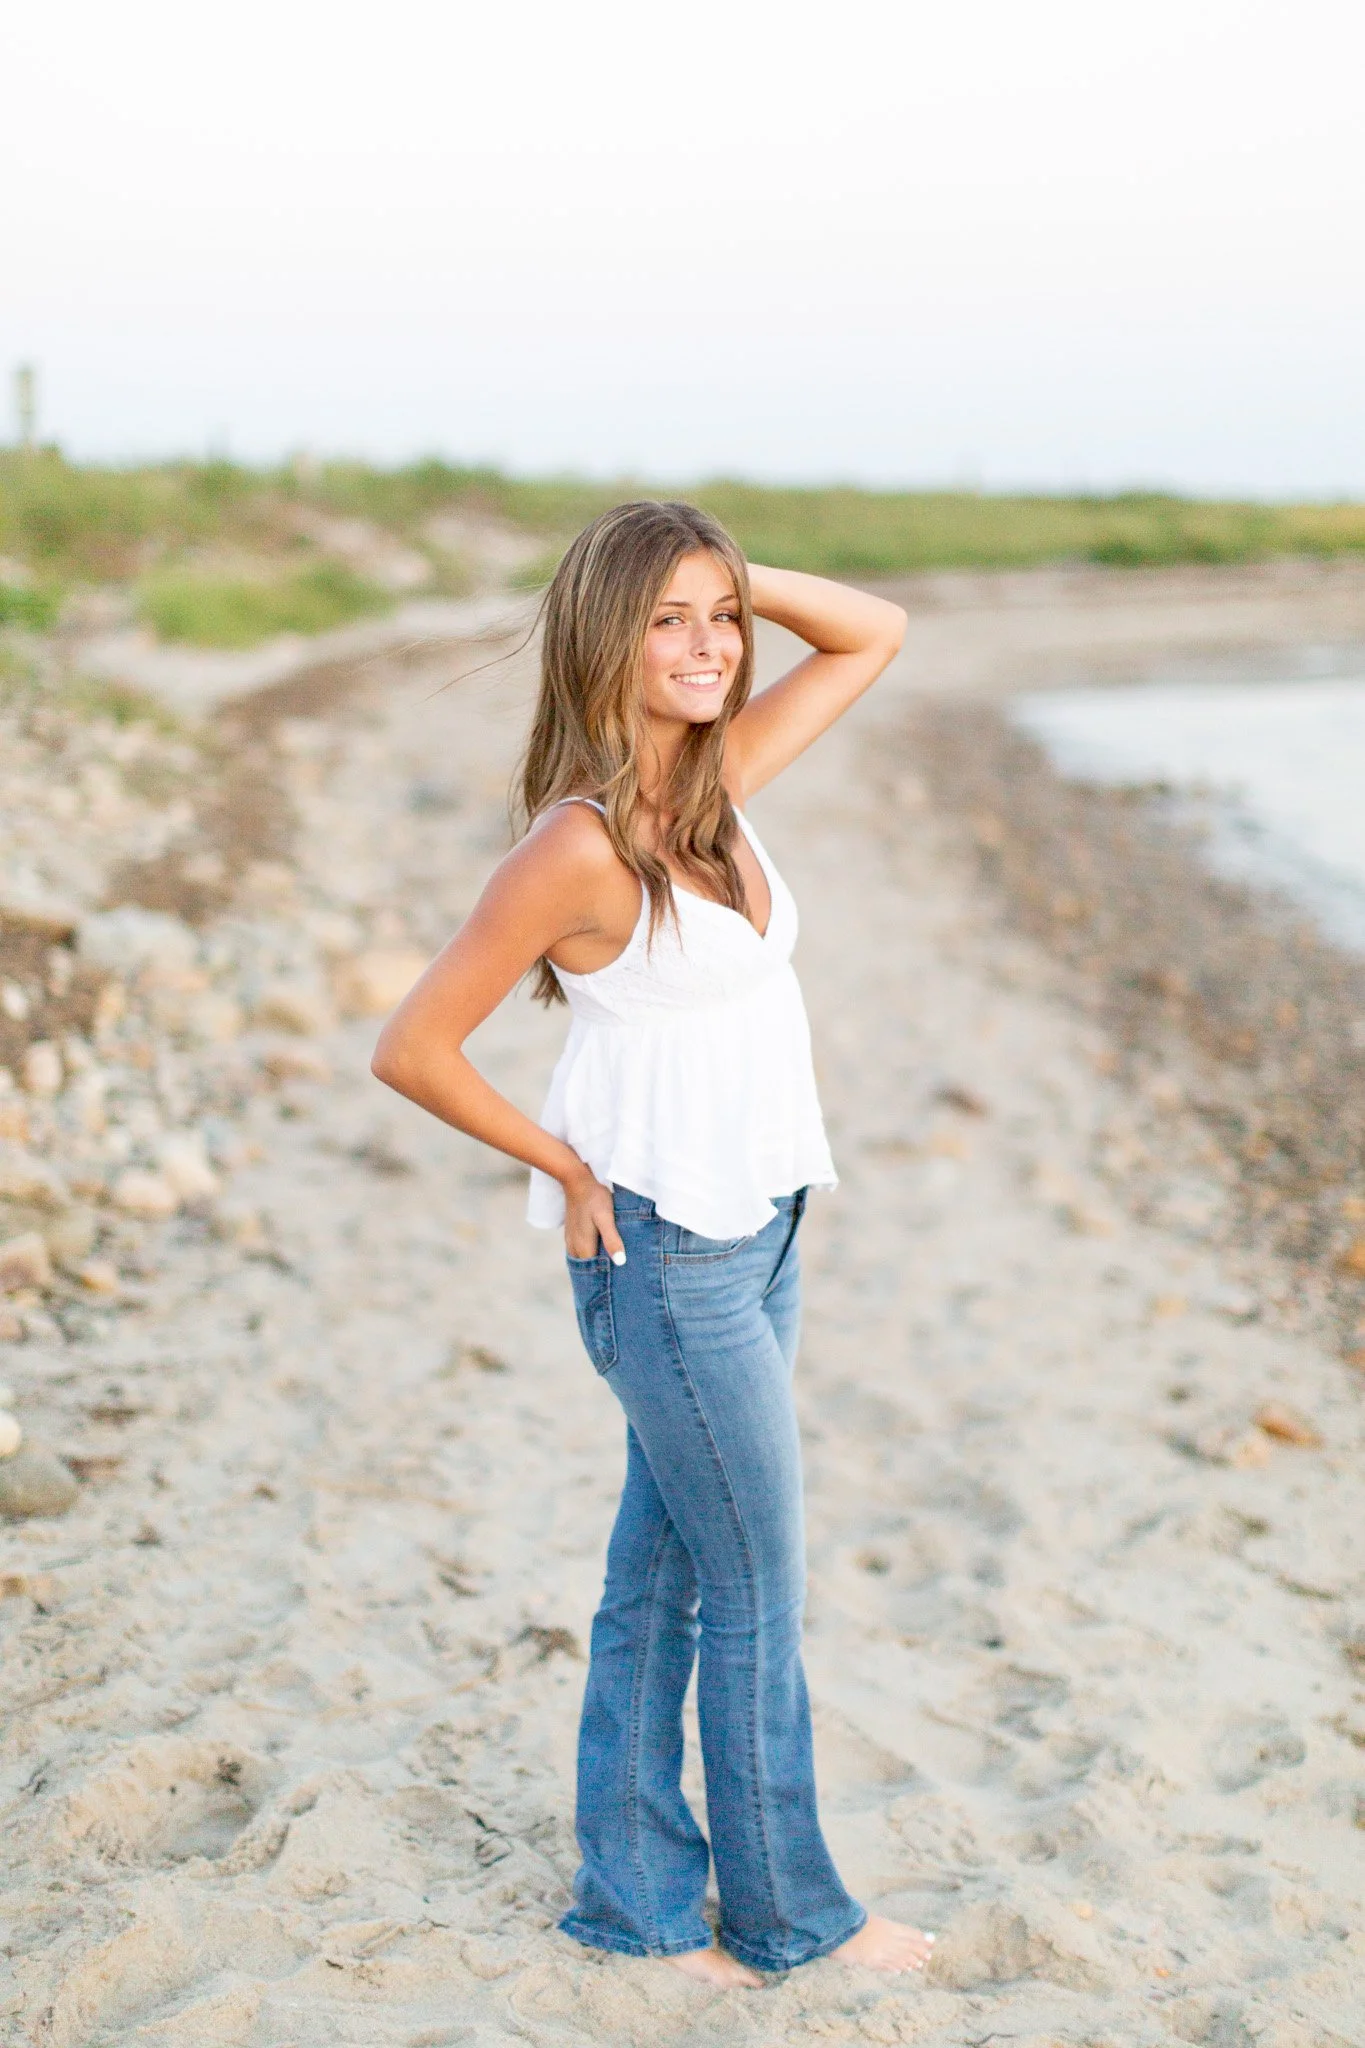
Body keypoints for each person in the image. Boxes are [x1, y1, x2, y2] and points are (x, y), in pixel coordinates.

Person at [372, 500, 934, 1986]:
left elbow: (872, 631)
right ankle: (789, 1921)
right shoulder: (576, 847)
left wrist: (734, 576)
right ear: (604, 641)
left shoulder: (716, 783)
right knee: (754, 1591)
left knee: (671, 1577)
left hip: (763, 1227)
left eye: (722, 618)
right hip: (669, 1260)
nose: (707, 647)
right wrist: (559, 1161)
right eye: (668, 619)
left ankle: (630, 1909)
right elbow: (415, 1047)